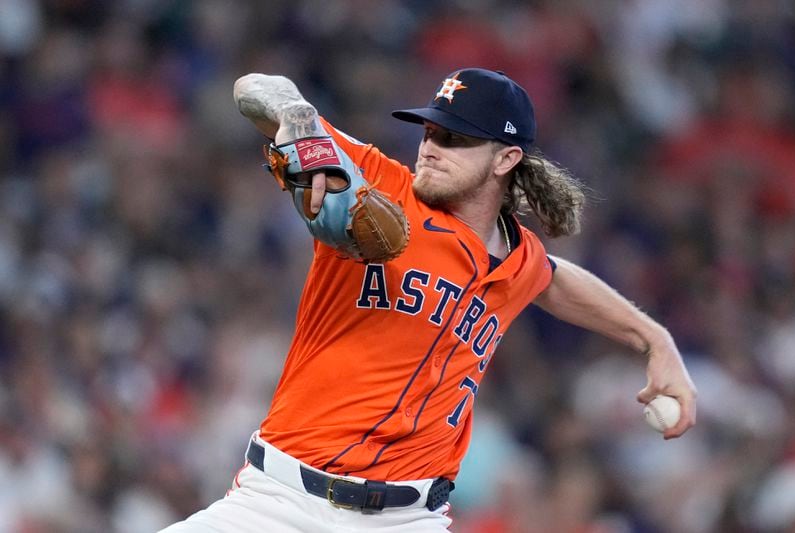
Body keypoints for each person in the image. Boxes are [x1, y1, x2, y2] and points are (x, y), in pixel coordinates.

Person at [161, 68, 697, 532]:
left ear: (507, 157)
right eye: (431, 130)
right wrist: (301, 122)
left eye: (455, 138)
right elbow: (257, 89)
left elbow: (554, 280)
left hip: (407, 518)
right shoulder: (378, 184)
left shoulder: (519, 259)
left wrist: (653, 339)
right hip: (280, 502)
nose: (431, 146)